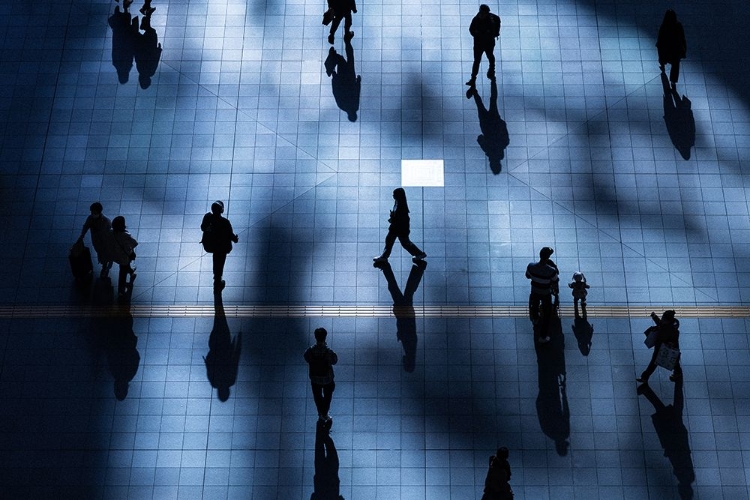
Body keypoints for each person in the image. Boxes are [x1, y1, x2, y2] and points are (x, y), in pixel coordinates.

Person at [373, 188, 426, 264]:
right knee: (397, 242)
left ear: (398, 195)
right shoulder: (398, 203)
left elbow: (402, 219)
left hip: (399, 229)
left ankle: (384, 257)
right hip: (397, 228)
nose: (393, 196)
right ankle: (419, 254)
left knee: (399, 243)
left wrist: (393, 219)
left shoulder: (401, 206)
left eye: (394, 194)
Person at [201, 201, 239, 292]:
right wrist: (235, 239)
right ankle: (217, 281)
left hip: (211, 246)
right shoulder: (225, 222)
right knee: (220, 263)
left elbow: (203, 227)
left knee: (216, 260)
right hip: (222, 247)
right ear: (221, 210)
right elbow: (230, 235)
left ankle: (216, 279)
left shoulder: (208, 217)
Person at [304, 328, 338, 425]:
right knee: (327, 397)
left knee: (317, 397)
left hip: (315, 378)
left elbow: (306, 358)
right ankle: (325, 413)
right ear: (325, 337)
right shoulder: (328, 352)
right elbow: (335, 361)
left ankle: (320, 413)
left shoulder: (310, 351)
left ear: (315, 337)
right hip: (327, 378)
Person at [637, 310, 682, 383]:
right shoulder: (665, 324)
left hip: (663, 349)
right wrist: (654, 317)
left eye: (663, 319)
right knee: (674, 363)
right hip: (660, 348)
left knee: (655, 363)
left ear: (668, 320)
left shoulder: (673, 331)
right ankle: (677, 373)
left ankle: (644, 377)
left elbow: (674, 341)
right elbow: (659, 322)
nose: (662, 320)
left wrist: (671, 343)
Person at [525, 246, 559, 340]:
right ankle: (543, 336)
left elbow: (527, 276)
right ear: (548, 257)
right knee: (547, 313)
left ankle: (535, 319)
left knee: (534, 305)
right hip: (545, 293)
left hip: (535, 290)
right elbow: (555, 280)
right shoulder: (551, 270)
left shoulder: (531, 266)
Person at [466, 4, 501, 88]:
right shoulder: (476, 19)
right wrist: (477, 34)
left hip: (487, 42)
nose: (484, 15)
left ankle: (491, 68)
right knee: (477, 60)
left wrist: (490, 34)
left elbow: (495, 29)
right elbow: (471, 29)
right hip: (479, 43)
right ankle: (473, 78)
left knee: (489, 55)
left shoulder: (492, 19)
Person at [78, 202, 113, 278]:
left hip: (105, 243)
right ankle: (105, 265)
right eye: (92, 212)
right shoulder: (90, 218)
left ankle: (105, 267)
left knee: (104, 255)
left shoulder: (106, 222)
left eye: (94, 212)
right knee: (100, 254)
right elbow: (86, 226)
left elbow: (110, 233)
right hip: (97, 242)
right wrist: (82, 236)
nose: (92, 214)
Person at [656, 9, 686, 88]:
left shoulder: (664, 26)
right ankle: (673, 81)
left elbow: (660, 39)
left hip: (666, 49)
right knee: (675, 66)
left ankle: (662, 64)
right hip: (675, 49)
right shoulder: (678, 25)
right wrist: (684, 49)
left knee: (664, 58)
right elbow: (682, 38)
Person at [109, 215, 138, 298]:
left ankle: (131, 272)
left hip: (117, 255)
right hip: (125, 255)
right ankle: (121, 290)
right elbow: (135, 243)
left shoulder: (111, 233)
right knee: (122, 274)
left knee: (124, 266)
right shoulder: (125, 235)